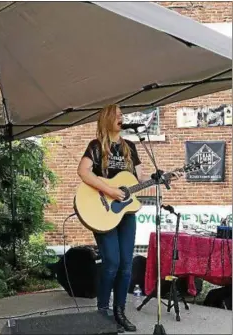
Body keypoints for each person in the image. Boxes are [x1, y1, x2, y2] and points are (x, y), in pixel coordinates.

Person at [77, 104, 179, 333]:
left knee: (125, 266)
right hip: (101, 211)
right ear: (107, 119)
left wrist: (162, 178)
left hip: (125, 213)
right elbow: (83, 172)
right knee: (111, 262)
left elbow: (139, 179)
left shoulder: (130, 147)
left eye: (122, 115)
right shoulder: (95, 147)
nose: (122, 118)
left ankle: (120, 312)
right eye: (118, 115)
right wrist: (110, 190)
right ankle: (101, 312)